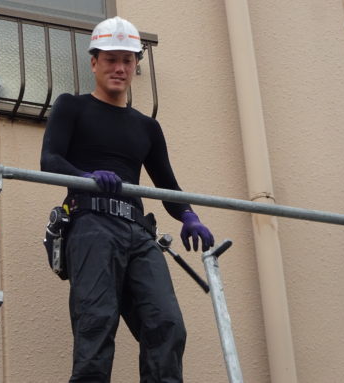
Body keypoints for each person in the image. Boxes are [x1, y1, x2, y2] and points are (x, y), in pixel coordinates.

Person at [40, 16, 214, 383]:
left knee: (167, 324)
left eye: (128, 60)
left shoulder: (146, 127)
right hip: (91, 224)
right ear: (94, 62)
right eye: (110, 59)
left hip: (137, 233)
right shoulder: (72, 106)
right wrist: (86, 177)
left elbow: (167, 185)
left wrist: (188, 216)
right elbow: (50, 160)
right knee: (96, 320)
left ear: (136, 66)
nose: (119, 68)